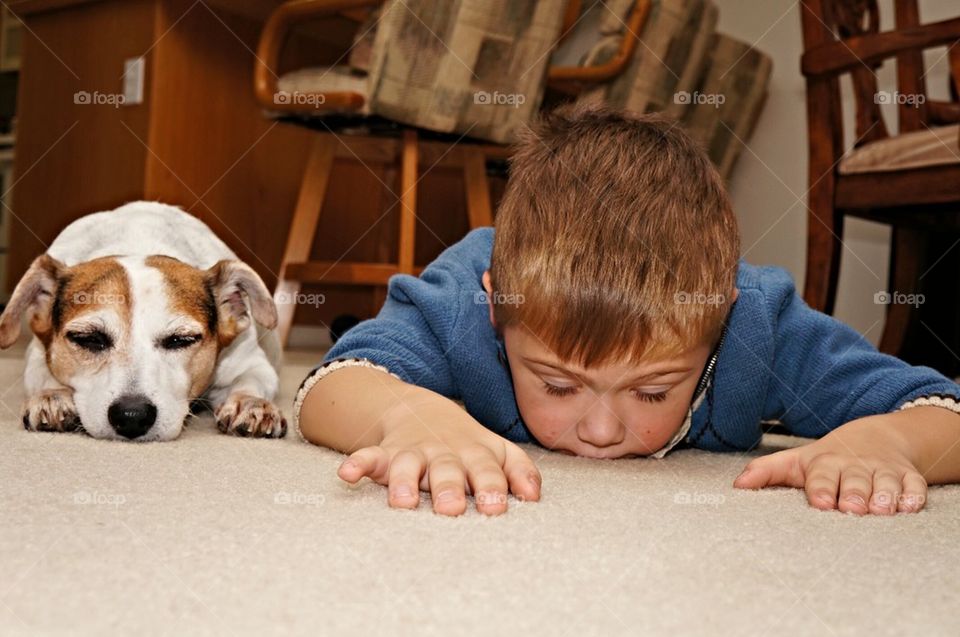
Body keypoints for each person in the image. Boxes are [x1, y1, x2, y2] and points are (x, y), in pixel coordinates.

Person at [294, 106, 960, 517]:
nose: (602, 430)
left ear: (720, 322)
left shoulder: (757, 322)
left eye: (651, 390)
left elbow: (942, 411)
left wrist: (889, 443)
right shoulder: (464, 296)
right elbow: (329, 386)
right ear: (498, 308)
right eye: (558, 385)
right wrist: (411, 417)